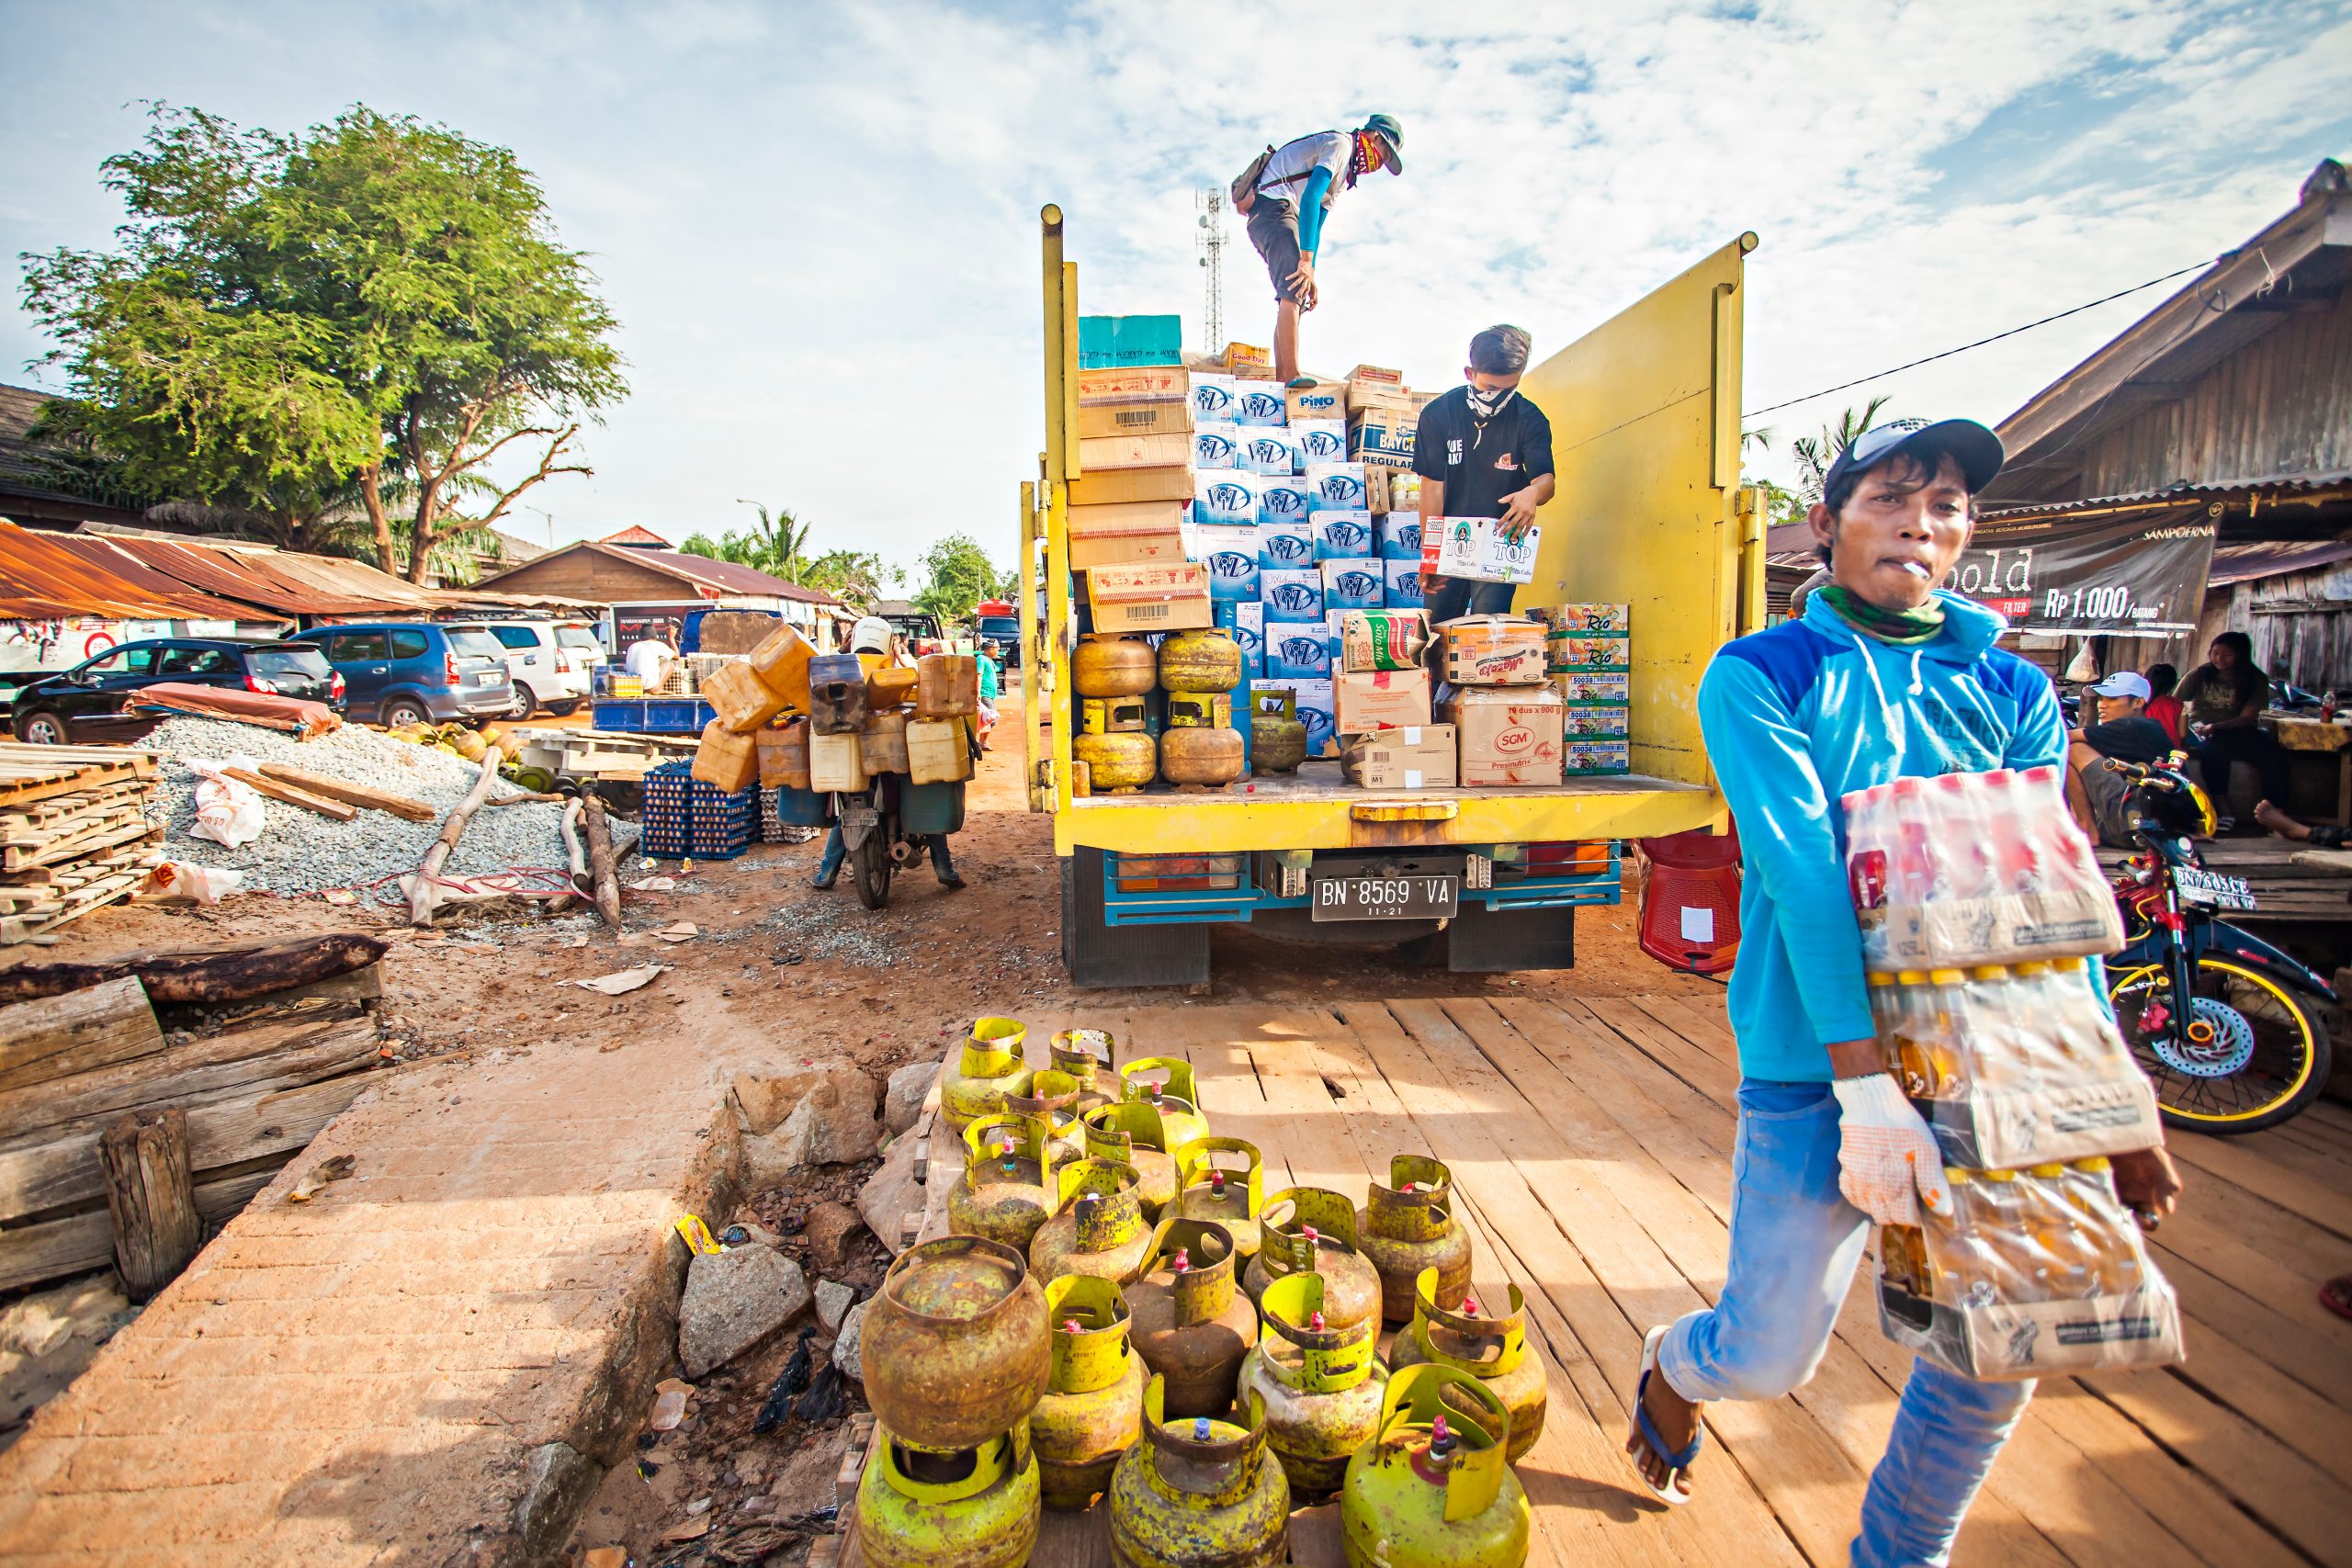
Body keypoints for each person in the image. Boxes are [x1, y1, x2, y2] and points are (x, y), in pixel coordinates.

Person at [1630, 417, 2183, 1560]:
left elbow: (2053, 909)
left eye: (1947, 507)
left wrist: (2116, 1107)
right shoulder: (1765, 674)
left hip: (2005, 1067)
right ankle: (1675, 1367)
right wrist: (1867, 1089)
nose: (1920, 526)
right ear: (1826, 525)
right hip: (1814, 1062)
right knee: (1768, 1351)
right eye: (1892, 498)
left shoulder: (2010, 687)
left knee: (2000, 1349)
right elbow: (1802, 872)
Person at [1415, 325, 1555, 670]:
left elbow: (1547, 480)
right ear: (1470, 373)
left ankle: (1477, 712)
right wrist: (1431, 556)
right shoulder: (1438, 414)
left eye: (1510, 388)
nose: (1498, 396)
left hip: (1501, 543)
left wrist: (1532, 494)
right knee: (1436, 635)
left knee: (1487, 639)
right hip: (1450, 541)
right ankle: (1436, 715)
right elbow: (1432, 489)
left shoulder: (1530, 418)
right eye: (1490, 387)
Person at [1240, 116, 1404, 385]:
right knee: (1292, 289)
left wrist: (1311, 269)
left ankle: (1284, 377)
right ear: (1374, 137)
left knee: (1295, 290)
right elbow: (1311, 196)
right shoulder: (1340, 145)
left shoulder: (1344, 180)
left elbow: (1316, 225)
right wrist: (1304, 261)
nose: (1379, 163)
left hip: (1281, 213)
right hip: (1273, 206)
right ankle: (1290, 375)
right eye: (1383, 154)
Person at [812, 615, 965, 891]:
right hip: (890, 753)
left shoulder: (836, 668)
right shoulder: (895, 666)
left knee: (845, 813)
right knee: (923, 802)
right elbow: (918, 685)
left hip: (852, 758)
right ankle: (944, 868)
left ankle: (826, 873)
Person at [2177, 631, 2288, 830]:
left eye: (2227, 654)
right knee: (2213, 752)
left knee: (2272, 753)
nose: (2220, 659)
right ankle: (2223, 808)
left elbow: (2247, 717)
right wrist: (2191, 727)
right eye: (2215, 653)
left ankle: (2276, 810)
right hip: (2202, 728)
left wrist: (2217, 727)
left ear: (2241, 655)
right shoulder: (2200, 674)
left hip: (2238, 729)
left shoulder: (2255, 679)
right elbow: (2175, 702)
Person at [2064, 671, 2177, 846]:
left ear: (2138, 702)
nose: (2102, 705)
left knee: (2074, 749)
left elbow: (2062, 737)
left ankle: (2087, 830)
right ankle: (2084, 827)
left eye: (2112, 699)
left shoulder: (2133, 725)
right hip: (2139, 829)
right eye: (2101, 699)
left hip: (2140, 826)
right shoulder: (2135, 730)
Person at [622, 620, 677, 687]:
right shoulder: (657, 645)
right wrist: (671, 638)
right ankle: (657, 689)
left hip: (633, 684)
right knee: (669, 663)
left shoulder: (632, 646)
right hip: (648, 683)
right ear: (655, 636)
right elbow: (677, 656)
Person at [2144, 661, 2184, 745]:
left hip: (2145, 749)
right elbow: (2183, 734)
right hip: (2170, 752)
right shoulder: (2179, 705)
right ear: (2172, 684)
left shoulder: (2140, 702)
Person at [975, 639, 1003, 751]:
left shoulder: (988, 659)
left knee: (987, 718)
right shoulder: (981, 659)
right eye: (997, 649)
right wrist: (978, 692)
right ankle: (983, 742)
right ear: (991, 649)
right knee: (991, 718)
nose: (998, 651)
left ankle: (982, 742)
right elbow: (979, 676)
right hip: (984, 693)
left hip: (990, 694)